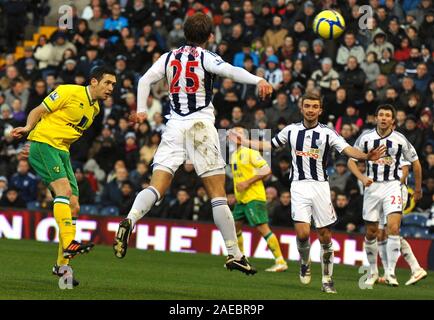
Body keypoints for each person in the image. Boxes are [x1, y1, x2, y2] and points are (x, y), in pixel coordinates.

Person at [113, 13, 273, 276]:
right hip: (200, 126)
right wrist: (258, 80)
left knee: (157, 186)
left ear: (185, 33)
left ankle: (130, 219)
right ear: (210, 36)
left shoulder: (168, 57)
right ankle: (235, 254)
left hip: (174, 125)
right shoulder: (205, 56)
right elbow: (230, 71)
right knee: (218, 195)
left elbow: (143, 80)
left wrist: (141, 110)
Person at [230, 92, 385, 293]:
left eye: (314, 107)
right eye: (307, 106)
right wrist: (247, 142)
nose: (311, 110)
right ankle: (305, 262)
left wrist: (365, 156)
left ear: (320, 110)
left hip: (320, 186)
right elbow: (270, 144)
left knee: (324, 235)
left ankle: (327, 279)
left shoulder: (328, 133)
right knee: (303, 234)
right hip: (299, 186)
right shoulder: (291, 130)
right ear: (301, 108)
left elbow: (347, 150)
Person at [11, 66, 117, 286]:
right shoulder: (69, 91)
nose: (111, 88)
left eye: (113, 85)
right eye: (107, 83)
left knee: (74, 204)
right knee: (64, 191)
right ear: (94, 81)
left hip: (61, 152)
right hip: (44, 144)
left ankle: (62, 266)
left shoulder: (94, 109)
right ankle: (70, 241)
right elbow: (38, 110)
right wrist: (29, 129)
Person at [347, 104, 423, 287]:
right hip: (372, 188)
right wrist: (362, 177)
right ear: (375, 118)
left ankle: (390, 273)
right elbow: (351, 160)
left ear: (393, 120)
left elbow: (416, 164)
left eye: (387, 115)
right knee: (372, 232)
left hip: (392, 187)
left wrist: (418, 189)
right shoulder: (366, 138)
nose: (383, 118)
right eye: (380, 115)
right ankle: (373, 271)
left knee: (393, 228)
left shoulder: (400, 140)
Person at [229, 126, 288, 272]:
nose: (234, 135)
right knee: (234, 227)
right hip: (241, 199)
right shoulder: (233, 155)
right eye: (233, 133)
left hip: (254, 197)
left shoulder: (249, 151)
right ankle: (240, 259)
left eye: (239, 132)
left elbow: (266, 169)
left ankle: (280, 261)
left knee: (262, 228)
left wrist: (247, 183)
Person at [375, 163, 428, 286]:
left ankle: (415, 268)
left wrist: (394, 186)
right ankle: (389, 272)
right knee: (381, 233)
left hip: (396, 192)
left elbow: (404, 170)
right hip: (383, 192)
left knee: (391, 231)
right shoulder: (378, 148)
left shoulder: (397, 144)